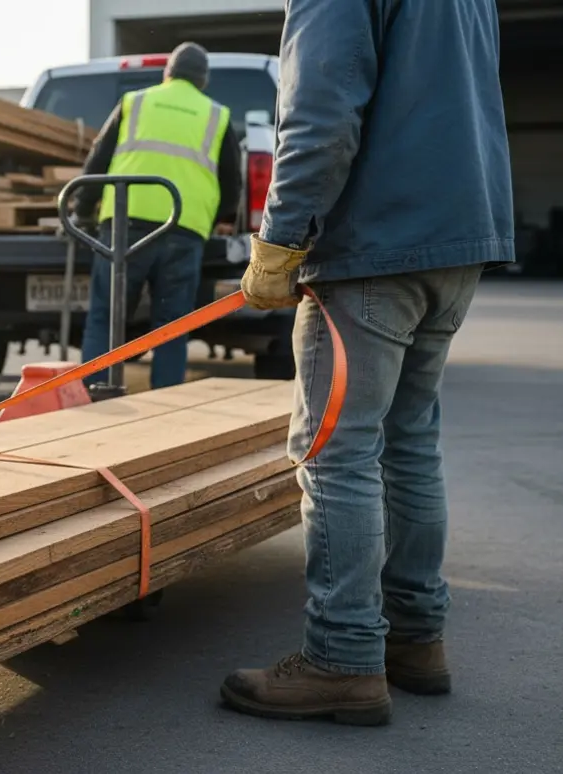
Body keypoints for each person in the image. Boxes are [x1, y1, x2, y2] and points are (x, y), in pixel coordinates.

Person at [223, 0, 515, 726]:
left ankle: (342, 660)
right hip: (458, 237)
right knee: (409, 442)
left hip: (374, 245)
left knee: (336, 452)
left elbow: (322, 105)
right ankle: (416, 640)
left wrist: (281, 237)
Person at [72, 42, 241, 392]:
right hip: (184, 228)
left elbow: (98, 160)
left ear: (168, 73)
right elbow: (231, 179)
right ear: (203, 81)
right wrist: (222, 218)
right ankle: (165, 411)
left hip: (125, 224)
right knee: (172, 326)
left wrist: (82, 211)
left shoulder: (135, 102)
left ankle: (91, 397)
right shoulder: (216, 115)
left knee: (106, 317)